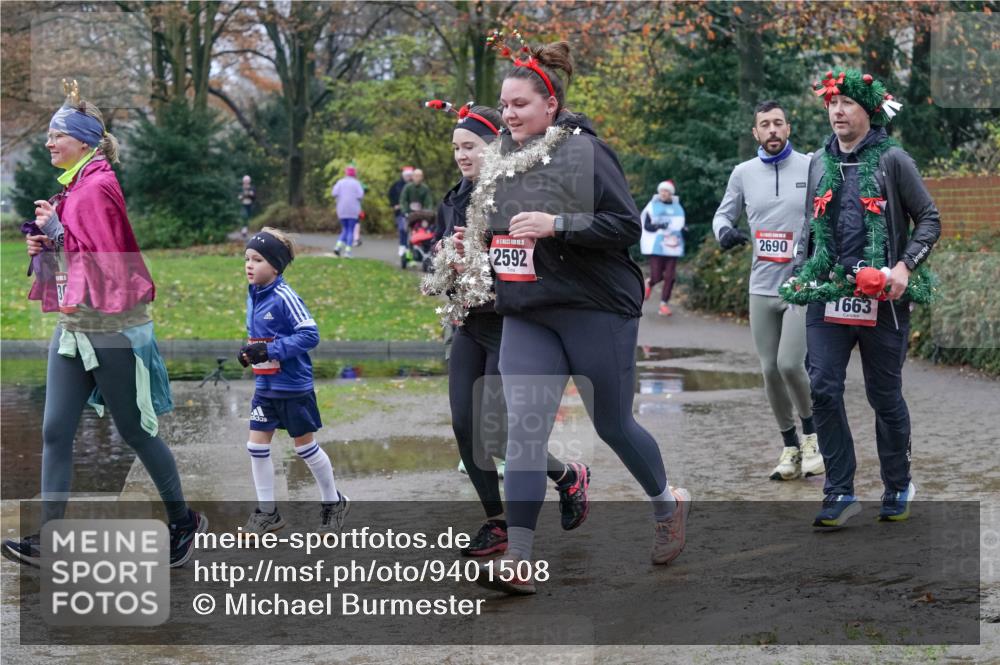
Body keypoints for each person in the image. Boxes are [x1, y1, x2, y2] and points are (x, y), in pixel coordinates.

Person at [471, 32, 690, 595]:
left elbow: (624, 227)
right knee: (522, 431)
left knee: (613, 424)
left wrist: (557, 224)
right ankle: (519, 557)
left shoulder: (584, 152)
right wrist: (464, 264)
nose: (509, 113)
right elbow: (493, 235)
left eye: (520, 104)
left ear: (552, 106)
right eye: (505, 104)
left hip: (596, 307)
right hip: (529, 310)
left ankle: (667, 506)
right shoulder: (501, 160)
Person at [2, 82, 206, 568]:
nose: (49, 143)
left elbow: (108, 263)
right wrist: (47, 246)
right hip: (76, 327)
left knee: (135, 431)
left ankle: (183, 521)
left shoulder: (97, 186)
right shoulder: (75, 187)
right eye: (49, 135)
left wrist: (58, 233)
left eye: (58, 135)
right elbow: (77, 257)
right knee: (54, 430)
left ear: (85, 142)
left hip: (112, 326)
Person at [424, 99, 590, 558]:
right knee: (464, 424)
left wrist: (486, 256)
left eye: (471, 146)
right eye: (457, 147)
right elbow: (442, 258)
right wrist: (449, 260)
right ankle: (496, 523)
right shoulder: (453, 199)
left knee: (497, 434)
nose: (462, 155)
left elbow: (530, 257)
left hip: (511, 323)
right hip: (471, 324)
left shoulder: (511, 191)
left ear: (493, 145)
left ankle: (567, 476)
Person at [780, 69, 940, 528]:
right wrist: (801, 276)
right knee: (824, 390)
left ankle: (897, 483)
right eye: (832, 104)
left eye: (846, 103)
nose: (837, 111)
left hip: (883, 300)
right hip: (828, 298)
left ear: (868, 110)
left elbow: (929, 219)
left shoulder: (894, 160)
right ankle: (840, 490)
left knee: (883, 396)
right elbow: (810, 229)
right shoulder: (817, 162)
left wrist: (903, 268)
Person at [711, 100, 823, 482]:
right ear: (755, 132)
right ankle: (789, 445)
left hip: (800, 282)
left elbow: (827, 212)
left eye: (778, 123)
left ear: (788, 129)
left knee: (791, 363)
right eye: (765, 125)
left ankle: (813, 437)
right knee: (769, 369)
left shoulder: (810, 165)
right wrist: (724, 231)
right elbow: (723, 214)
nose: (772, 130)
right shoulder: (743, 173)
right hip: (761, 284)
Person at [238, 228, 350, 533]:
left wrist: (271, 350)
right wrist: (249, 352)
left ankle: (333, 501)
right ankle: (267, 513)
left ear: (275, 266)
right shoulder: (253, 295)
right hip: (266, 386)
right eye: (247, 258)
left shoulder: (284, 296)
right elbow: (260, 338)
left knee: (304, 448)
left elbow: (309, 334)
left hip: (293, 386)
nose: (249, 265)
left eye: (257, 259)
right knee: (256, 446)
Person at [639, 180, 685, 316]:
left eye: (667, 191)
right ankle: (650, 282)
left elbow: (679, 224)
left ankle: (663, 304)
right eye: (662, 191)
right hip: (657, 245)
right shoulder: (652, 206)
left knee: (670, 276)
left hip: (673, 245)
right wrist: (658, 226)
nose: (664, 193)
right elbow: (646, 225)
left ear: (671, 193)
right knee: (657, 276)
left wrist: (684, 229)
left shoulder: (678, 208)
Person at [331, 165, 364, 257]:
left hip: (341, 209)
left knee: (345, 228)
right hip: (353, 210)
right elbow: (360, 195)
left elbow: (334, 193)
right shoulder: (356, 183)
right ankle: (348, 251)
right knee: (350, 229)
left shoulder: (340, 182)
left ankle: (337, 246)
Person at [389, 166, 415, 258]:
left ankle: (410, 252)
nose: (409, 177)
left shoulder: (415, 185)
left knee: (412, 232)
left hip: (413, 212)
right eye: (407, 176)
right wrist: (394, 205)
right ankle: (402, 246)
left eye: (410, 176)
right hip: (400, 212)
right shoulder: (396, 185)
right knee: (402, 229)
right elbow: (391, 195)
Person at [238, 174, 256, 239]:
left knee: (248, 217)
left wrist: (250, 195)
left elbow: (254, 197)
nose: (246, 181)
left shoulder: (252, 187)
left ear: (249, 181)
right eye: (245, 180)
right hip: (243, 204)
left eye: (247, 180)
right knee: (244, 216)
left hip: (250, 204)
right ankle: (244, 230)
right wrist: (244, 195)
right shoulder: (241, 188)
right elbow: (239, 197)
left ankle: (245, 229)